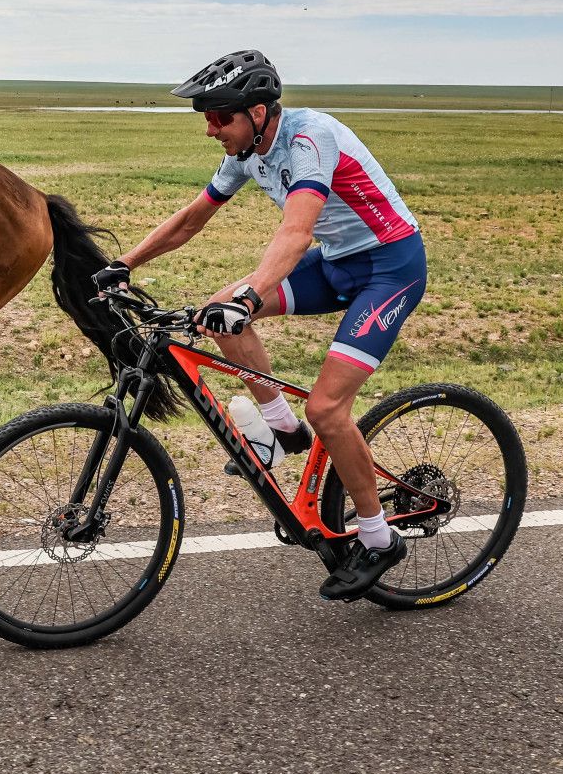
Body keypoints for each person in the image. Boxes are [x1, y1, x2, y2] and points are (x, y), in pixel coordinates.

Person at [93, 50, 427, 601]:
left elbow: (296, 232)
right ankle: (283, 429)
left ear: (256, 112)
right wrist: (125, 263)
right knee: (218, 316)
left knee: (328, 409)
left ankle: (378, 537)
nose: (210, 129)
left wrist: (250, 296)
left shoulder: (308, 138)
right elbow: (192, 219)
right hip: (338, 262)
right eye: (206, 117)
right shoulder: (246, 151)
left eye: (218, 117)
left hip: (390, 268)